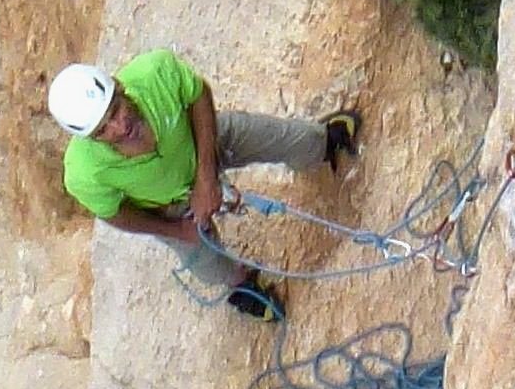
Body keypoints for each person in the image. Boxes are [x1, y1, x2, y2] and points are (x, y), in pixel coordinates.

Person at [48, 49, 361, 322]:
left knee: (290, 139)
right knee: (211, 268)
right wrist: (177, 230)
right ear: (89, 138)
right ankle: (242, 285)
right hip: (168, 206)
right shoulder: (83, 174)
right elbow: (114, 213)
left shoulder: (156, 72)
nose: (120, 127)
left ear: (119, 87)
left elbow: (198, 95)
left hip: (202, 143)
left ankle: (323, 143)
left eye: (116, 110)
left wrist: (206, 178)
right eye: (103, 130)